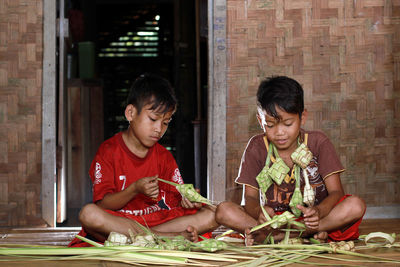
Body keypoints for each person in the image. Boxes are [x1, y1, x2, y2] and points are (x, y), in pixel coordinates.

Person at [69, 73, 218, 247]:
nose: (158, 129)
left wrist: (188, 200)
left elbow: (175, 201)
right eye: (153, 119)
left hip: (158, 222)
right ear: (130, 113)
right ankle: (162, 238)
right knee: (89, 214)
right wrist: (135, 189)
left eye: (165, 122)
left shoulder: (164, 156)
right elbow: (103, 205)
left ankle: (153, 237)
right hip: (122, 223)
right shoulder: (109, 151)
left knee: (212, 214)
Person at [215, 76, 366, 245]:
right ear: (260, 120)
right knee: (223, 210)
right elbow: (248, 199)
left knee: (355, 205)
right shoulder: (256, 147)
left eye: (287, 123)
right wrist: (260, 211)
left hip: (312, 219)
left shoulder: (318, 142)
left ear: (303, 117)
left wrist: (318, 212)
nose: (280, 133)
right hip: (272, 223)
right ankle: (302, 235)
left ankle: (285, 236)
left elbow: (336, 192)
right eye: (270, 125)